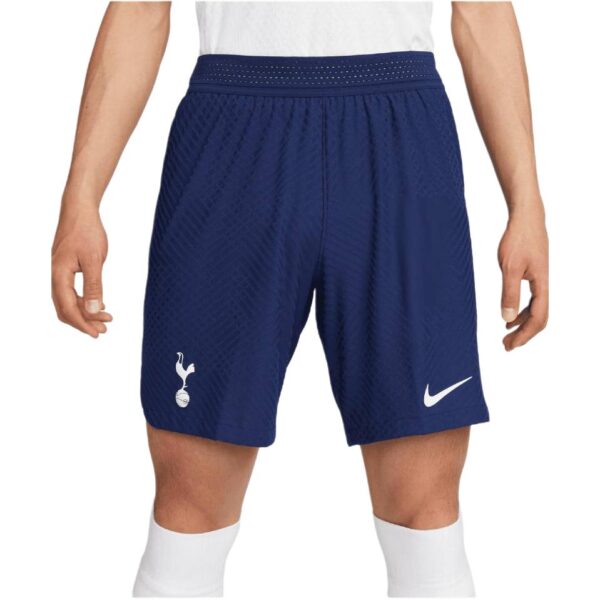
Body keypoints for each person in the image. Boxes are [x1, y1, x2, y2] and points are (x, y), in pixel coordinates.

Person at [51, 2, 548, 597]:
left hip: (399, 135)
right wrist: (82, 195)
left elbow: (483, 11)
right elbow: (140, 8)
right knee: (189, 507)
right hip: (234, 130)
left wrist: (527, 202)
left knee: (425, 516)